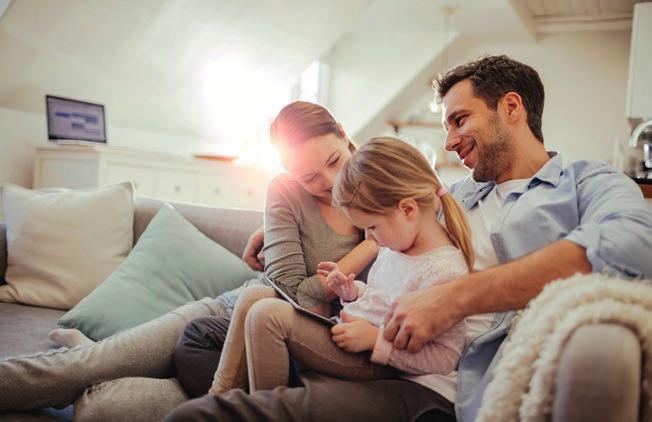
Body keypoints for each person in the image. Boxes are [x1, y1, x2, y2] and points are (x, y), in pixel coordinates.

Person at [164, 55, 652, 422]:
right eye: (446, 127)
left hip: (433, 376)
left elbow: (632, 244)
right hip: (367, 326)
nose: (449, 141)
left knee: (200, 413)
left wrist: (456, 298)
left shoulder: (587, 182)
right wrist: (272, 230)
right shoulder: (449, 195)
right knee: (200, 337)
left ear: (511, 108)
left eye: (460, 121)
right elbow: (377, 225)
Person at [0, 101, 378, 417]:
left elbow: (431, 205)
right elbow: (294, 293)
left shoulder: (385, 189)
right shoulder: (286, 191)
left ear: (345, 136)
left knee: (104, 410)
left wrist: (374, 237)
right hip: (224, 318)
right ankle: (90, 353)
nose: (330, 181)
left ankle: (88, 347)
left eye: (334, 160)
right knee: (86, 369)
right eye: (310, 177)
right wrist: (371, 245)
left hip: (282, 359)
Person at [215, 137, 472, 394]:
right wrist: (352, 292)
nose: (370, 238)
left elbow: (446, 356)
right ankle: (232, 401)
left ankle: (256, 410)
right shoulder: (396, 247)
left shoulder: (444, 273)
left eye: (372, 226)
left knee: (267, 316)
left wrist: (376, 341)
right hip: (348, 332)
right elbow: (383, 300)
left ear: (407, 209)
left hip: (377, 360)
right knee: (258, 301)